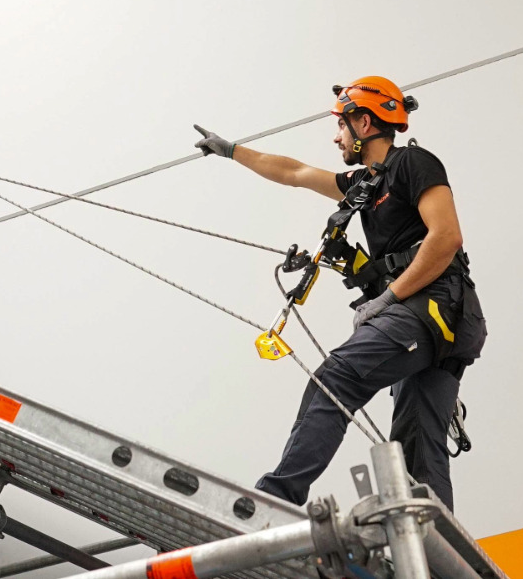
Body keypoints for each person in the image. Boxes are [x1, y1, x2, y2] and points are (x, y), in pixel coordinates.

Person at [194, 76, 485, 511]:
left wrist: (387, 299)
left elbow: (445, 238)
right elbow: (294, 173)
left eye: (340, 127)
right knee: (418, 451)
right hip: (441, 320)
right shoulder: (365, 186)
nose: (336, 137)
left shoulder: (413, 164)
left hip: (433, 306)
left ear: (364, 123)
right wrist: (233, 151)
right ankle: (434, 557)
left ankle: (277, 499)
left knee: (337, 377)